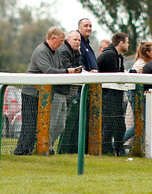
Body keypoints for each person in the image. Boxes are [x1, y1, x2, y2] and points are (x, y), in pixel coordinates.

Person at [14, 27, 82, 155]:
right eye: (61, 41)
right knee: (30, 124)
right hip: (31, 93)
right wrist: (68, 71)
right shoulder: (41, 51)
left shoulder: (55, 52)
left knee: (47, 124)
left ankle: (33, 150)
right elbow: (48, 70)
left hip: (44, 94)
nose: (62, 44)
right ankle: (21, 151)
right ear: (52, 39)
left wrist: (68, 70)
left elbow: (59, 68)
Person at [97, 32, 129, 155]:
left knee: (119, 123)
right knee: (109, 123)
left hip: (114, 95)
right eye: (127, 42)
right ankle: (106, 149)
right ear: (121, 43)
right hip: (107, 95)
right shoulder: (110, 55)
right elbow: (114, 75)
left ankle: (118, 148)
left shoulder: (118, 56)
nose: (128, 45)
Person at [56, 30, 84, 153]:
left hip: (69, 91)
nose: (78, 42)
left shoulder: (76, 52)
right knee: (56, 123)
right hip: (59, 91)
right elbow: (66, 68)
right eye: (75, 40)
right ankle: (48, 148)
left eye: (79, 40)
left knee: (62, 124)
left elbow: (79, 67)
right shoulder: (64, 51)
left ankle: (60, 149)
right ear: (68, 40)